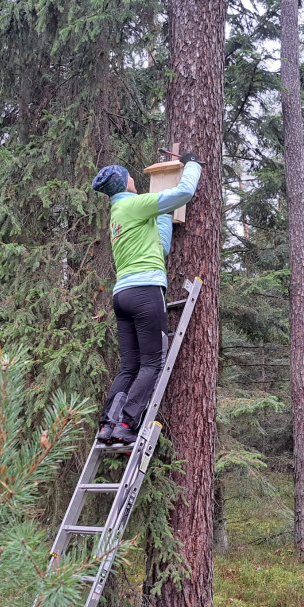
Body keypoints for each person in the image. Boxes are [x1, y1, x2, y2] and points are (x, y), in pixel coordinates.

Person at [91, 153, 205, 446]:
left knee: (129, 366)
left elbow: (161, 245)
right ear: (122, 183)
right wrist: (193, 165)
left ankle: (108, 425)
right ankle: (127, 423)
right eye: (129, 176)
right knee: (152, 363)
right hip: (145, 292)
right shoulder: (134, 203)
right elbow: (184, 192)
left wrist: (163, 212)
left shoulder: (119, 213)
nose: (133, 179)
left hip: (123, 296)